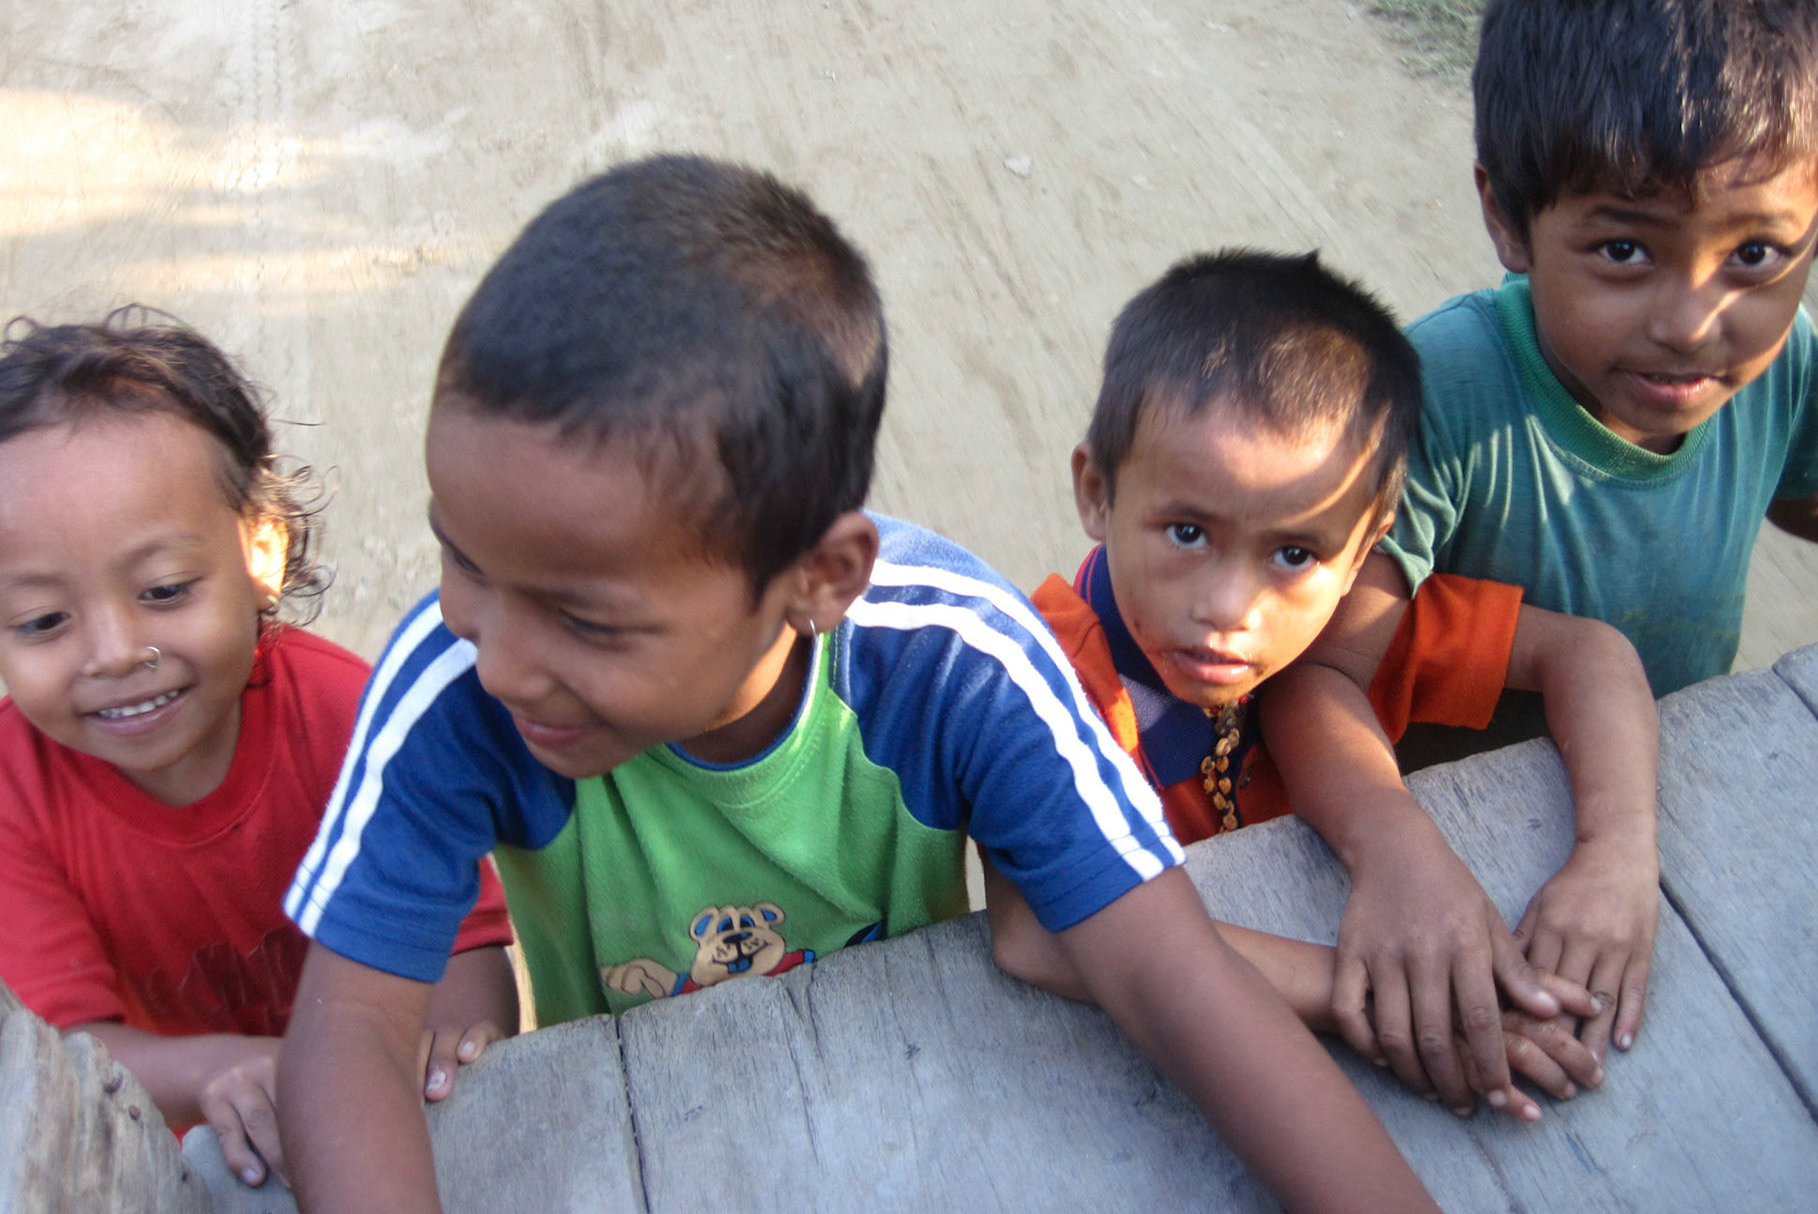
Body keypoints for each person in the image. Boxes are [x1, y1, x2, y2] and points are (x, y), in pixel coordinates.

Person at [277, 156, 1440, 1214]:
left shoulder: (956, 663)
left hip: (919, 1112)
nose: (499, 655)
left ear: (819, 580)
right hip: (648, 1137)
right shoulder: (451, 688)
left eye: (588, 619)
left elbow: (1169, 971)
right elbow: (349, 1037)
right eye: (462, 560)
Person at [1270, 0, 1818, 1120]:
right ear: (1510, 222)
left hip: (1658, 825)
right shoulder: (1441, 399)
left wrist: (1623, 849)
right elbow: (1312, 684)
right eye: (1625, 248)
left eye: (1760, 253)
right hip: (1467, 865)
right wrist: (1398, 852)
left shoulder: (1774, 360)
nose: (1692, 319)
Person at [997, 249, 1645, 1118]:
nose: (1230, 609)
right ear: (1097, 491)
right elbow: (1037, 933)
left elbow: (1592, 656)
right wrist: (1371, 991)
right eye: (1187, 531)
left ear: (1366, 549)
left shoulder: (1353, 637)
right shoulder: (1045, 676)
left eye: (1295, 554)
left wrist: (1616, 857)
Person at [0, 311, 517, 1190]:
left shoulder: (349, 714)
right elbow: (64, 1048)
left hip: (404, 1123)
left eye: (163, 589)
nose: (116, 650)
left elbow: (465, 949)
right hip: (176, 1161)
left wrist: (459, 1048)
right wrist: (215, 1073)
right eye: (43, 620)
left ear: (261, 552)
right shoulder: (16, 791)